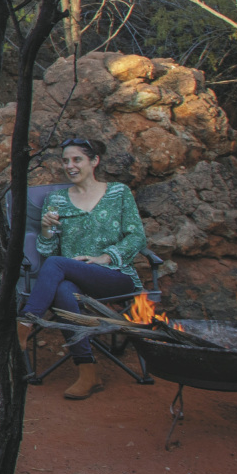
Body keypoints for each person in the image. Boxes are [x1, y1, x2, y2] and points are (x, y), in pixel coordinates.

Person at [24, 135, 147, 401]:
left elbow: (137, 236)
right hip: (75, 280)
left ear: (94, 161)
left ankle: (24, 323)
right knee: (63, 289)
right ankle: (88, 371)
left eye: (77, 159)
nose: (70, 166)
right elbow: (48, 251)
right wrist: (45, 230)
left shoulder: (118, 193)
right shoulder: (56, 200)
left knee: (57, 266)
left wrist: (105, 257)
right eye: (66, 161)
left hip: (116, 276)